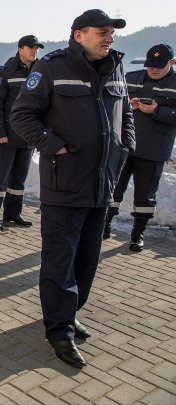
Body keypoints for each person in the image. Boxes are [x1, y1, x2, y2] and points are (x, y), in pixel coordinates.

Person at [10, 9, 135, 368]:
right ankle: (58, 330)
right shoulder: (51, 67)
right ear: (79, 34)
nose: (109, 38)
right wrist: (55, 146)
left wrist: (125, 145)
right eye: (102, 31)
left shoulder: (116, 67)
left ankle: (70, 312)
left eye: (111, 32)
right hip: (64, 182)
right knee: (59, 261)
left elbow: (124, 111)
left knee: (87, 261)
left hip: (101, 183)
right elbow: (21, 116)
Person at [105, 44, 176, 251]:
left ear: (172, 63)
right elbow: (112, 103)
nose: (153, 70)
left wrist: (158, 110)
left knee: (145, 195)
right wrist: (130, 106)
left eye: (159, 66)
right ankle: (105, 225)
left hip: (154, 148)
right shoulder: (131, 77)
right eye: (150, 65)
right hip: (124, 144)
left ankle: (138, 234)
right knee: (113, 187)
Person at [0, 35, 43, 232]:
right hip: (8, 135)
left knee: (18, 179)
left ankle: (12, 213)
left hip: (28, 136)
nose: (35, 51)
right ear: (20, 49)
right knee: (0, 178)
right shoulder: (5, 72)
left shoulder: (40, 71)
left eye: (37, 48)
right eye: (32, 48)